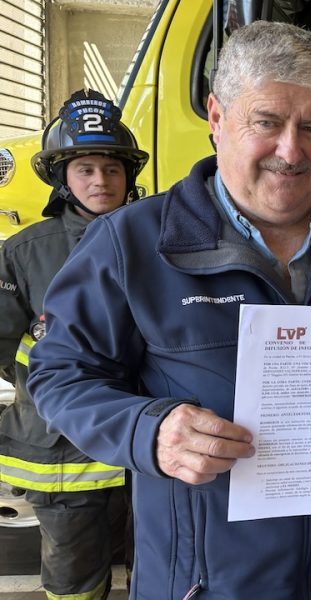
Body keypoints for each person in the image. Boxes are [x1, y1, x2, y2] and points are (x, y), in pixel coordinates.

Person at [27, 22, 311, 598]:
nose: (291, 151)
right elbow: (59, 374)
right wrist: (150, 430)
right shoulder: (132, 244)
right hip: (204, 585)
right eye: (267, 123)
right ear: (217, 118)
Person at [0, 89, 145, 600]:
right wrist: (52, 385)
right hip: (63, 455)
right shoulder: (26, 252)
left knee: (155, 565)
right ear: (63, 178)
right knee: (74, 580)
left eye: (112, 168)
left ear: (128, 175)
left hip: (141, 447)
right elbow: (5, 344)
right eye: (85, 169)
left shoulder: (156, 239)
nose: (100, 180)